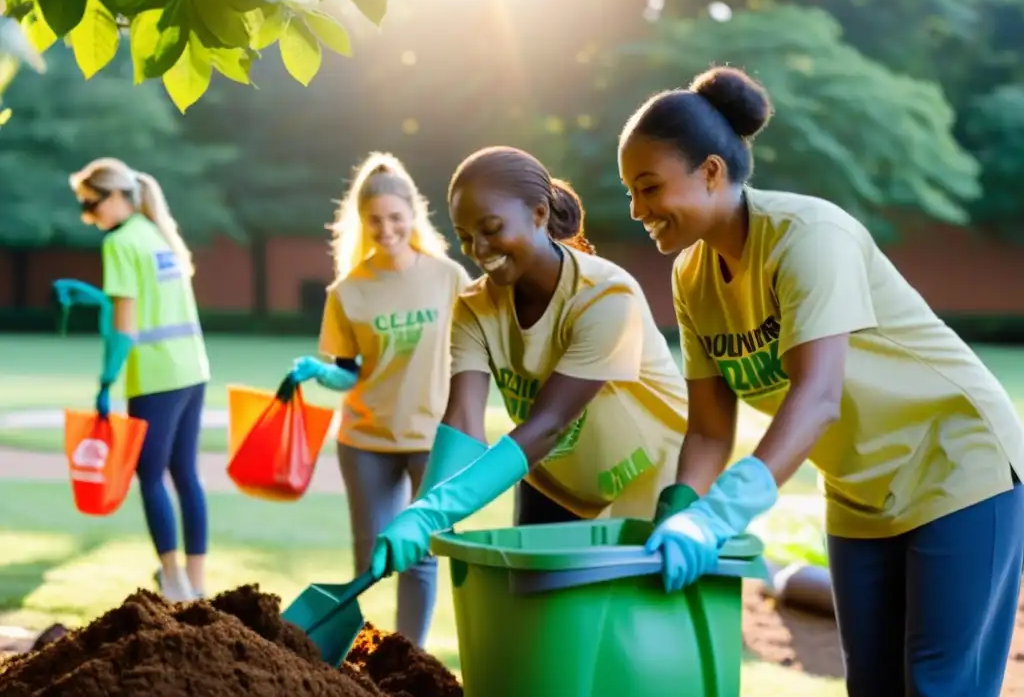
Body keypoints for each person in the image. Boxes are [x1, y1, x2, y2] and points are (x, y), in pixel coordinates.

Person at [616, 66, 1024, 697]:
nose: (639, 210)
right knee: (872, 685)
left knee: (940, 685)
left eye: (649, 187)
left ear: (712, 172)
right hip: (860, 493)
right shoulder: (692, 277)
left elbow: (817, 396)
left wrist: (719, 516)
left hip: (957, 465)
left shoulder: (808, 236)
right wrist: (677, 515)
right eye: (629, 193)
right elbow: (707, 428)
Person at [367, 146, 693, 580]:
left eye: (491, 229)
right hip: (553, 478)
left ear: (539, 214)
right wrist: (428, 510)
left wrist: (432, 512)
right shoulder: (474, 308)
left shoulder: (606, 296)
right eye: (465, 236)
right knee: (538, 613)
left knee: (626, 631)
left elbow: (550, 423)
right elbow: (464, 419)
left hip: (648, 480)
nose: (478, 250)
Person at [288, 152, 471, 648]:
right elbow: (348, 373)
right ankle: (364, 653)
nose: (386, 228)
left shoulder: (449, 277)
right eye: (375, 220)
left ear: (413, 215)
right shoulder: (348, 291)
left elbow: (474, 350)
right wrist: (318, 372)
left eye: (395, 217)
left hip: (431, 437)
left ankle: (408, 656)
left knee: (421, 554)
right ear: (362, 223)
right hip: (365, 439)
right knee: (371, 557)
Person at [69, 157, 211, 603]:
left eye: (91, 205)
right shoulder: (155, 233)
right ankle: (196, 580)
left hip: (155, 375)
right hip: (192, 369)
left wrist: (106, 379)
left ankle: (172, 579)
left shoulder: (120, 243)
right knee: (185, 474)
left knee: (149, 475)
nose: (88, 215)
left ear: (115, 197)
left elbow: (124, 328)